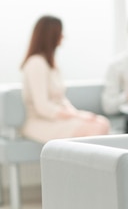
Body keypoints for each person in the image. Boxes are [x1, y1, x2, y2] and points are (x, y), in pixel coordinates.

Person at [20, 15, 110, 143]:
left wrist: (81, 115)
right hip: (42, 123)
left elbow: (62, 100)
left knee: (101, 122)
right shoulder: (36, 63)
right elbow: (43, 107)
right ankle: (86, 162)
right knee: (97, 127)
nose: (63, 37)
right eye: (60, 33)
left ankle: (87, 162)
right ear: (51, 36)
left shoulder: (51, 65)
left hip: (57, 119)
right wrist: (78, 116)